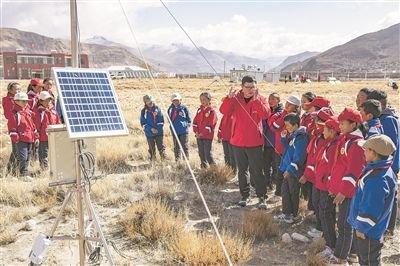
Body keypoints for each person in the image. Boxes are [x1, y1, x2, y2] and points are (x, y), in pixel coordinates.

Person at [219, 76, 270, 209]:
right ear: (241, 87)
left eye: (252, 87)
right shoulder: (235, 98)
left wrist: (256, 100)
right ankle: (244, 196)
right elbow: (224, 111)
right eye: (247, 87)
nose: (250, 90)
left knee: (257, 171)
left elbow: (265, 115)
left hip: (255, 142)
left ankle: (262, 197)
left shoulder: (260, 98)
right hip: (238, 141)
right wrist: (229, 98)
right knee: (242, 171)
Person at [348, 135, 397, 265]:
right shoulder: (379, 169)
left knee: (369, 261)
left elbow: (372, 208)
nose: (363, 151)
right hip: (369, 230)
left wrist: (361, 228)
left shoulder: (377, 179)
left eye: (366, 149)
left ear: (374, 153)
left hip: (368, 232)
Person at [326, 107, 366, 264]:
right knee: (343, 223)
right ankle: (349, 253)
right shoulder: (345, 139)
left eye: (343, 123)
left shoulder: (356, 144)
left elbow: (354, 171)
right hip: (341, 191)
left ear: (354, 124)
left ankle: (340, 257)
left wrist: (343, 191)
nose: (340, 126)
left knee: (344, 225)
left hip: (348, 193)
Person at [367, 89, 399, 235]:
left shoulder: (389, 120)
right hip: (381, 163)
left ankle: (388, 228)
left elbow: (390, 146)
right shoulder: (379, 120)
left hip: (389, 164)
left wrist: (388, 164)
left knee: (390, 196)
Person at [301, 107, 334, 238]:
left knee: (324, 206)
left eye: (318, 120)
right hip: (315, 177)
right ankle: (319, 226)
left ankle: (323, 230)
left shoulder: (327, 140)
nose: (315, 122)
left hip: (323, 179)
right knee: (315, 202)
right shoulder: (317, 136)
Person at [273, 113, 308, 224]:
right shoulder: (293, 135)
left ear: (295, 125)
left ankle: (293, 215)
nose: (286, 127)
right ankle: (286, 213)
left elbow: (299, 156)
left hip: (293, 171)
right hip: (287, 169)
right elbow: (288, 148)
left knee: (293, 192)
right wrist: (284, 139)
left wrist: (290, 170)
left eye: (288, 125)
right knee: (285, 191)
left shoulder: (301, 137)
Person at [315, 118, 341, 258]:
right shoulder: (329, 143)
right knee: (325, 212)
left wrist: (329, 183)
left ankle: (331, 245)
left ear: (332, 131)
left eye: (324, 128)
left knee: (326, 213)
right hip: (322, 184)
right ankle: (328, 239)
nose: (322, 131)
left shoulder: (334, 147)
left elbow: (333, 168)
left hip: (327, 187)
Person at [269, 95, 301, 196]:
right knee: (279, 172)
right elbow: (275, 127)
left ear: (295, 107)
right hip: (279, 148)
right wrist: (284, 114)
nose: (286, 105)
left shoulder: (296, 118)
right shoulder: (282, 114)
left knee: (287, 173)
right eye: (286, 103)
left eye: (290, 104)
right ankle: (279, 193)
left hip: (290, 151)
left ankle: (286, 195)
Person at [7, 92, 37, 181]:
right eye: (23, 101)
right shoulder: (15, 114)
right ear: (16, 101)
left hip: (29, 138)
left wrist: (35, 132)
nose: (26, 103)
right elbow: (12, 126)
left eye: (26, 101)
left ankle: (21, 172)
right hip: (21, 139)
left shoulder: (27, 112)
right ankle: (22, 174)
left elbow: (31, 124)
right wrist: (15, 136)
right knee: (23, 157)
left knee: (28, 156)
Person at [34, 91, 61, 170]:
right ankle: (44, 169)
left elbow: (57, 121)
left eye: (49, 100)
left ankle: (53, 168)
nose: (48, 102)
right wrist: (37, 137)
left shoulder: (53, 110)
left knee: (53, 153)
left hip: (53, 136)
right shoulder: (39, 112)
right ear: (41, 101)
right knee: (43, 154)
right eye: (45, 100)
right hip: (43, 137)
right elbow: (37, 125)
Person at [263, 93, 283, 190]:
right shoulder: (266, 111)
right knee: (266, 164)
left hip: (277, 144)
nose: (270, 101)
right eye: (269, 99)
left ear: (278, 101)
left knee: (276, 165)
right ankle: (267, 182)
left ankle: (274, 183)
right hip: (266, 142)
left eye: (273, 99)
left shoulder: (281, 112)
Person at [193, 92, 217, 168]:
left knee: (207, 154)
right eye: (201, 99)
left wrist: (202, 134)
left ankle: (214, 169)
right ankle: (204, 168)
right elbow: (195, 122)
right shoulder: (199, 110)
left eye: (204, 99)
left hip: (207, 137)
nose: (202, 101)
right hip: (199, 136)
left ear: (209, 100)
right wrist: (196, 132)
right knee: (201, 153)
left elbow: (210, 126)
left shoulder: (212, 112)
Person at [140, 95, 166, 161]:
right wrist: (151, 129)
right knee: (151, 148)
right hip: (149, 133)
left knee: (161, 147)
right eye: (148, 102)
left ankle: (164, 161)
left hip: (159, 132)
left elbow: (161, 120)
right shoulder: (144, 111)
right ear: (145, 102)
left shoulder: (158, 109)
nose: (150, 103)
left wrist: (157, 129)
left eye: (151, 101)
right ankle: (153, 161)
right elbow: (143, 123)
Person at [3, 82, 21, 175]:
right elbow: (8, 115)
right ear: (10, 90)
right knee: (16, 149)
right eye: (16, 89)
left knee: (19, 149)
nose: (18, 91)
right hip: (14, 127)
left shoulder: (19, 98)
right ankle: (11, 171)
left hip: (22, 126)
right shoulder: (7, 100)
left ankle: (14, 170)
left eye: (19, 89)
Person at [168, 92, 191, 161]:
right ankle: (177, 160)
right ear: (172, 101)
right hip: (175, 130)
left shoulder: (184, 108)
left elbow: (188, 118)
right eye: (174, 100)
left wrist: (188, 124)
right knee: (176, 146)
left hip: (183, 130)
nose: (175, 102)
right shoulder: (170, 109)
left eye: (177, 100)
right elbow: (169, 118)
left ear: (180, 100)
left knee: (184, 146)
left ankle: (186, 160)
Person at [218, 102, 236, 172]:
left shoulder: (234, 115)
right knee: (226, 154)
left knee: (232, 155)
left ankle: (234, 170)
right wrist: (219, 135)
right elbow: (221, 126)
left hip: (232, 140)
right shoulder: (224, 116)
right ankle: (227, 169)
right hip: (224, 138)